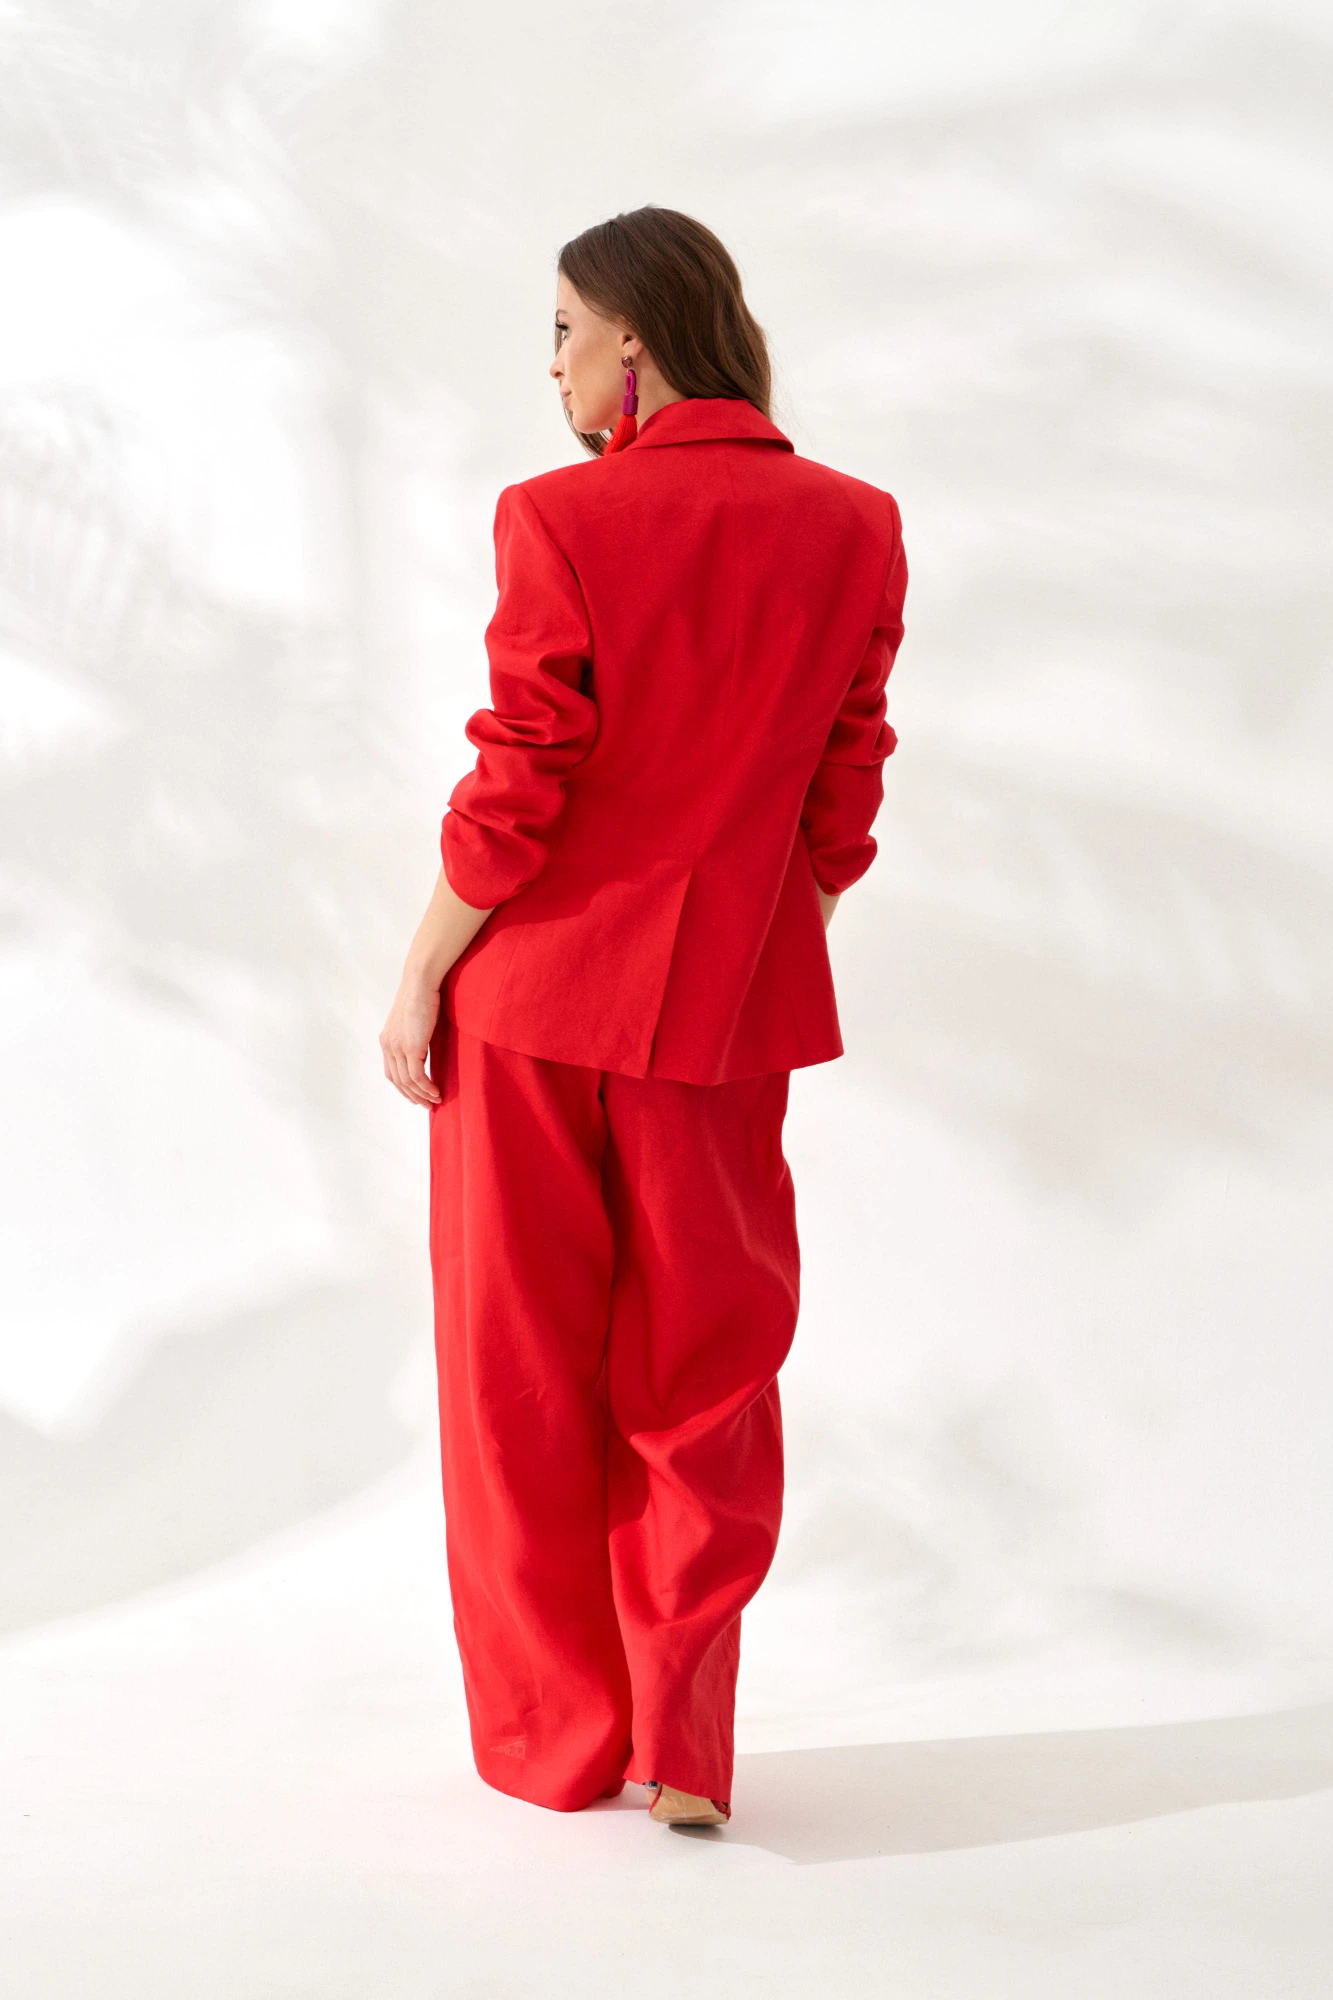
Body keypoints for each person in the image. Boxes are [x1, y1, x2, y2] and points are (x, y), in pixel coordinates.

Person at [380, 205, 907, 1828]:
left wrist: (421, 972)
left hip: (532, 1006)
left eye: (561, 329)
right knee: (706, 1374)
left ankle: (557, 1744)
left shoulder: (557, 518)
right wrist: (753, 944)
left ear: (632, 336)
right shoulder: (858, 524)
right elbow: (843, 797)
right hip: (726, 1016)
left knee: (517, 1374)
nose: (551, 365)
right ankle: (684, 1744)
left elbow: (519, 783)